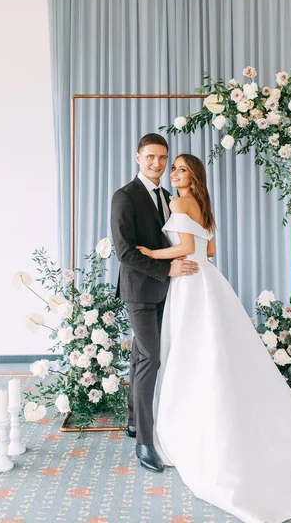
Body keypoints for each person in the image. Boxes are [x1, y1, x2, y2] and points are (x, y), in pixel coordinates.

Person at [136, 153, 291, 523]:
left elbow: (188, 250)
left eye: (181, 169)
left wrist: (151, 252)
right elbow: (210, 250)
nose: (174, 173)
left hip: (190, 283)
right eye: (172, 168)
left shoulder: (178, 201)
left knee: (190, 355)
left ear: (193, 176)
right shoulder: (203, 205)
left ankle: (188, 429)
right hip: (208, 281)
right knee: (209, 352)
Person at [110, 134, 199, 473]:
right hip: (139, 291)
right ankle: (145, 442)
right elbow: (125, 251)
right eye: (150, 157)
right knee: (151, 357)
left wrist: (171, 271)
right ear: (138, 157)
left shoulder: (168, 195)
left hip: (167, 291)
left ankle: (134, 421)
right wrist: (167, 268)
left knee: (139, 354)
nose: (158, 164)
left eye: (163, 158)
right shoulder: (125, 196)